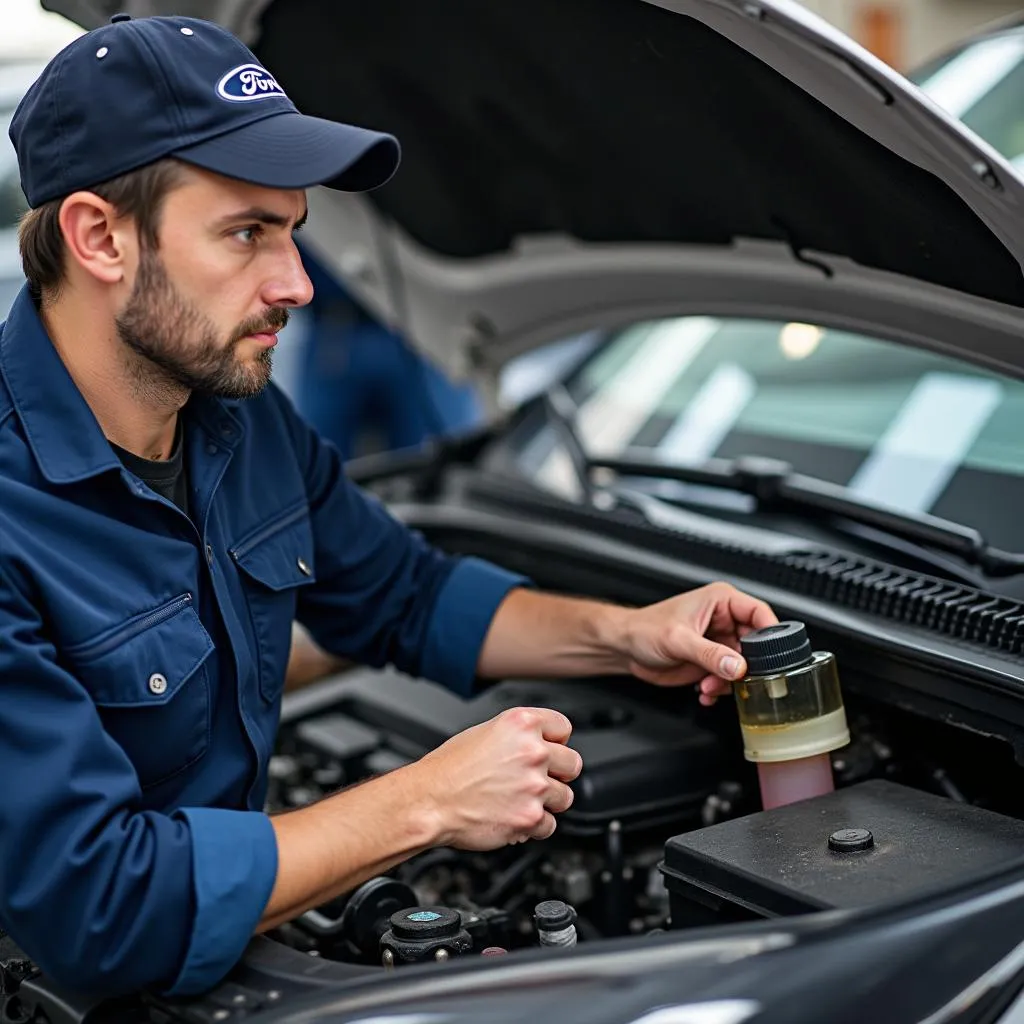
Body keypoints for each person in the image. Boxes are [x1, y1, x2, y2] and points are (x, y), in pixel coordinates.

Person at [0, 14, 778, 1000]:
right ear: (99, 236)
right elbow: (102, 912)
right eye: (246, 233)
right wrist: (429, 801)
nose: (296, 284)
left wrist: (625, 635)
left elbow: (408, 594)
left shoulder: (238, 423)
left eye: (293, 232)